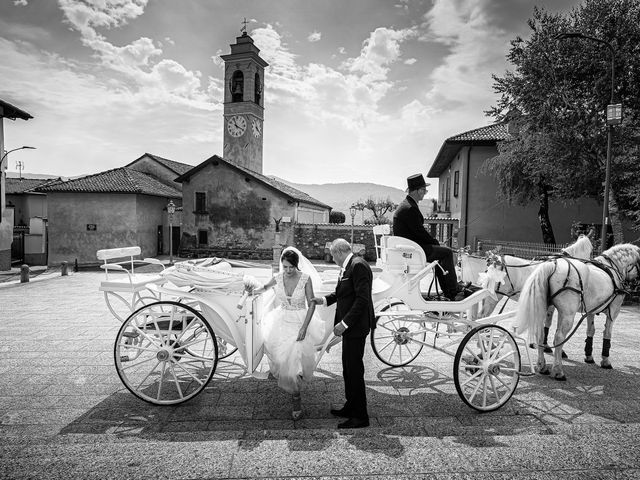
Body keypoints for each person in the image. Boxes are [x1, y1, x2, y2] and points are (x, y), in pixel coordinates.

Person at [251, 247, 325, 420]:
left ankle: (296, 399)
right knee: (281, 358)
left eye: (291, 267)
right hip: (281, 320)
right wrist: (251, 290)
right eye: (285, 267)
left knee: (295, 360)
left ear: (297, 265)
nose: (288, 270)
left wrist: (304, 328)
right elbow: (263, 288)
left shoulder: (305, 279)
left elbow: (312, 303)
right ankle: (288, 381)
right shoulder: (278, 277)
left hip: (300, 320)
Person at [313, 238, 374, 429]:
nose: (333, 259)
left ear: (339, 252)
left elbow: (362, 300)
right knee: (348, 369)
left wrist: (344, 324)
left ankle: (360, 416)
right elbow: (342, 293)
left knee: (355, 371)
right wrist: (321, 300)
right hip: (351, 328)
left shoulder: (358, 266)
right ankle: (350, 406)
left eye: (332, 255)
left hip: (355, 327)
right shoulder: (349, 266)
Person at [392, 173, 461, 301]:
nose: (425, 193)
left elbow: (418, 232)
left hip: (411, 247)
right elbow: (420, 232)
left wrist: (434, 243)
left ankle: (448, 291)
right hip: (414, 250)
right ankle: (453, 291)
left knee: (441, 255)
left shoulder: (406, 205)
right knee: (446, 252)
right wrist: (435, 242)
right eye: (424, 190)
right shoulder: (410, 208)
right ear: (417, 190)